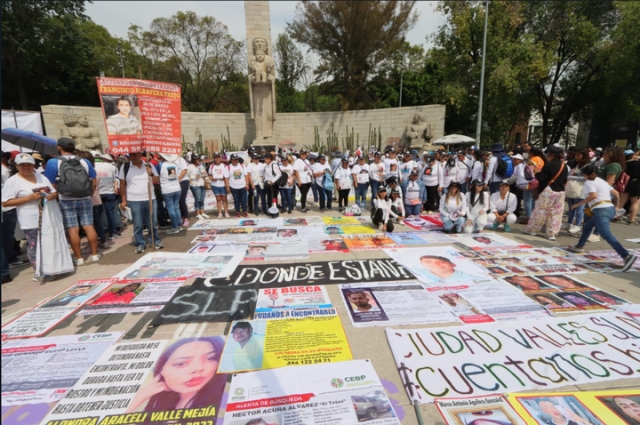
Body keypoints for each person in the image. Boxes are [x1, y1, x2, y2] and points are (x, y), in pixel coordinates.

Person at [2, 153, 60, 282]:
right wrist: (28, 198)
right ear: (16, 166)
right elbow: (5, 202)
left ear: (34, 165)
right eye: (22, 165)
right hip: (30, 219)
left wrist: (52, 195)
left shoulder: (41, 177)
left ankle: (52, 267)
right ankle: (39, 270)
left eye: (29, 164)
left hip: (48, 217)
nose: (26, 167)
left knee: (49, 243)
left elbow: (54, 191)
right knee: (35, 245)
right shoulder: (13, 181)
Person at [125, 337, 226, 412]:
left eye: (210, 358)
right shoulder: (151, 404)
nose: (198, 368)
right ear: (161, 369)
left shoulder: (224, 402)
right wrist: (137, 399)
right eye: (181, 363)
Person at [567, 165, 637, 271]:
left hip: (601, 210)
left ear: (587, 175)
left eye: (584, 174)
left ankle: (626, 256)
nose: (584, 176)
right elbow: (616, 193)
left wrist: (577, 205)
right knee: (588, 226)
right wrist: (617, 206)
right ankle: (579, 245)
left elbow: (593, 196)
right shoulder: (602, 181)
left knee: (606, 234)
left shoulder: (589, 183)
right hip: (609, 208)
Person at [44, 137, 101, 265]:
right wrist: (89, 194)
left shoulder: (53, 162)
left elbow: (51, 183)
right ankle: (95, 254)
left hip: (66, 199)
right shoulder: (85, 161)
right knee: (89, 226)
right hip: (85, 198)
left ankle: (79, 258)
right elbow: (93, 181)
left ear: (59, 147)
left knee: (72, 229)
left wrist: (59, 193)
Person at [119, 152, 163, 254]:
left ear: (140, 155)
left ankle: (155, 241)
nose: (133, 157)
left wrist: (151, 174)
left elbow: (157, 180)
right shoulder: (125, 167)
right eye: (131, 155)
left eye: (135, 155)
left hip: (150, 198)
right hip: (134, 200)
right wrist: (124, 200)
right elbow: (122, 185)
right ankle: (140, 243)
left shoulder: (149, 165)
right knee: (138, 224)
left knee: (152, 222)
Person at [524, 146, 567, 241]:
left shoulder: (549, 165)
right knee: (555, 213)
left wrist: (537, 173)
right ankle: (551, 233)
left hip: (549, 190)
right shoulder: (564, 166)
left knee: (540, 211)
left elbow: (541, 178)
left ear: (552, 155)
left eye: (548, 154)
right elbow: (564, 179)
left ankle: (533, 229)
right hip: (560, 191)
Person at [94, 153, 122, 239]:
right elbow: (115, 179)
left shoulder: (92, 166)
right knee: (110, 213)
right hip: (109, 192)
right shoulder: (112, 166)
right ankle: (113, 232)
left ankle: (99, 234)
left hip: (97, 193)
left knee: (97, 215)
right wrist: (116, 188)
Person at [158, 153, 186, 235]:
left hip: (167, 189)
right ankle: (179, 224)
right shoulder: (174, 164)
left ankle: (174, 227)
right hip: (176, 188)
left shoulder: (160, 165)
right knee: (176, 207)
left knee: (170, 209)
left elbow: (156, 176)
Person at [563, 148, 590, 234]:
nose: (576, 157)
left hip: (581, 189)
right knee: (571, 207)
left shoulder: (588, 166)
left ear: (584, 156)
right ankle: (569, 223)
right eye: (576, 155)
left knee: (579, 208)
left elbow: (586, 178)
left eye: (579, 155)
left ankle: (577, 225)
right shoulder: (576, 165)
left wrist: (572, 177)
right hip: (571, 188)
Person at [417, 255, 483, 283]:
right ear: (422, 264)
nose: (436, 264)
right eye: (428, 262)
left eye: (441, 262)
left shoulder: (470, 278)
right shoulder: (418, 272)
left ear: (453, 264)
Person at [620, 150, 640, 225]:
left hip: (626, 182)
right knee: (635, 202)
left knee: (622, 201)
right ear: (632, 155)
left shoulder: (624, 164)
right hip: (636, 183)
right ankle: (632, 219)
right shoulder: (637, 163)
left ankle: (616, 216)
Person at [208, 152, 230, 219]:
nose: (217, 158)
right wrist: (212, 178)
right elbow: (210, 175)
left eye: (218, 157)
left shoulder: (224, 166)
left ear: (220, 158)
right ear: (214, 158)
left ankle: (226, 212)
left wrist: (224, 178)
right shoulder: (211, 166)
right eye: (215, 157)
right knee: (218, 199)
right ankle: (219, 212)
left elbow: (228, 175)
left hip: (223, 184)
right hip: (215, 185)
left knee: (224, 199)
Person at [227, 154, 249, 218]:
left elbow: (246, 175)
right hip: (233, 187)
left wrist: (247, 184)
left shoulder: (242, 166)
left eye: (237, 159)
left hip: (242, 186)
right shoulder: (228, 167)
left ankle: (245, 212)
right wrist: (227, 186)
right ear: (231, 160)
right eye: (234, 159)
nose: (235, 161)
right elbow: (226, 177)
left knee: (243, 200)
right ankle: (237, 212)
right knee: (236, 200)